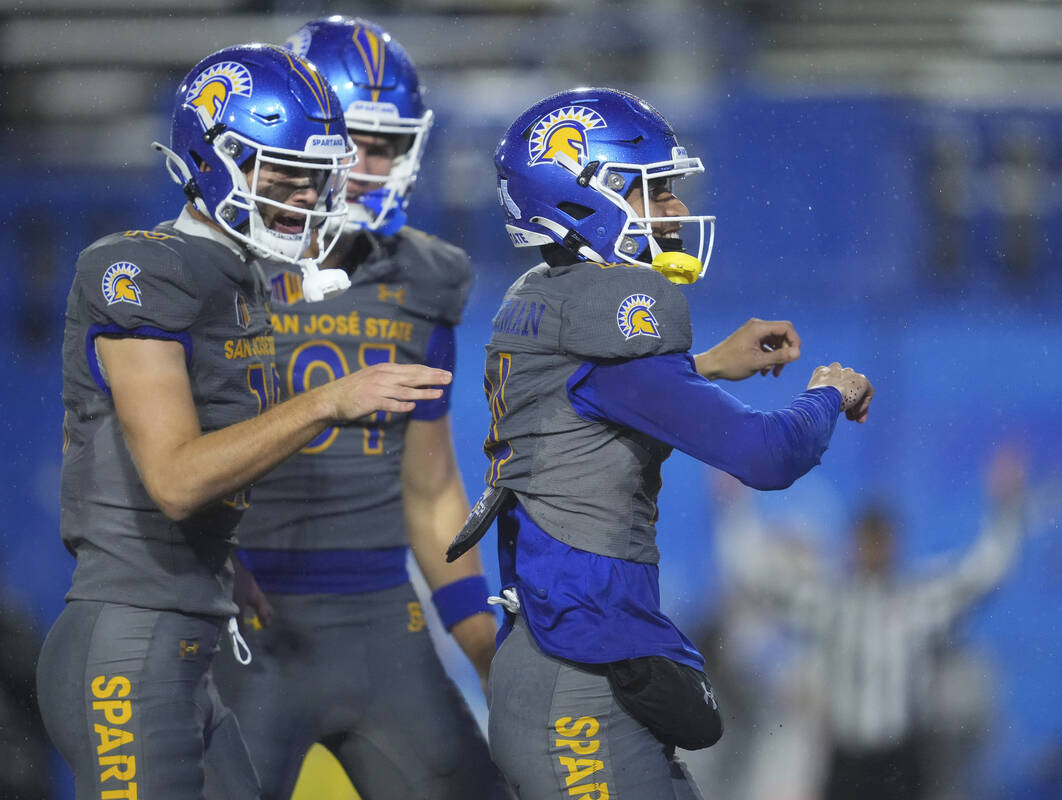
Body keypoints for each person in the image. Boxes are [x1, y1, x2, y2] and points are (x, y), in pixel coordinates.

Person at [38, 42, 451, 799]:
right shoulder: (138, 268)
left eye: (313, 177)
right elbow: (173, 478)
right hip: (129, 647)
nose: (306, 197)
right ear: (213, 155)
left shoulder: (238, 280)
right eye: (285, 173)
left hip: (186, 643)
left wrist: (227, 562)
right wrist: (329, 398)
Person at [470, 86, 874, 800]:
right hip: (576, 686)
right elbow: (765, 454)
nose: (679, 212)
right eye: (656, 193)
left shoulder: (546, 295)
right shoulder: (610, 310)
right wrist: (828, 393)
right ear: (580, 200)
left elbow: (592, 397)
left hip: (572, 662)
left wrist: (709, 363)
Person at [208, 16, 509, 800]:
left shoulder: (425, 279)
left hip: (383, 623)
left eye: (392, 145)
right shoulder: (213, 267)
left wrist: (484, 646)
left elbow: (432, 488)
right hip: (248, 624)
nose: (375, 167)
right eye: (358, 142)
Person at [724, 449, 1028, 800]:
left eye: (880, 541)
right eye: (867, 541)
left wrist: (1005, 508)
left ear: (894, 544)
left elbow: (981, 576)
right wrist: (734, 508)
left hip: (901, 759)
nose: (873, 550)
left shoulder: (918, 601)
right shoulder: (831, 603)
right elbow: (760, 578)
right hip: (845, 759)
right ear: (853, 544)